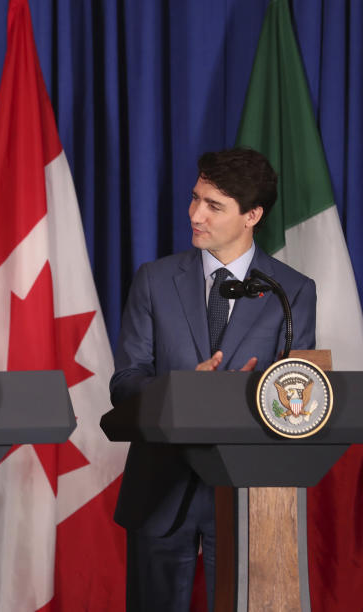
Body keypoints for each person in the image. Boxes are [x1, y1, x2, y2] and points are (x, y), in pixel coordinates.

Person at [110, 148, 316, 610]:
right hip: (161, 489)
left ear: (252, 215)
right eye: (195, 199)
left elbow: (296, 395)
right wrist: (183, 390)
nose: (195, 214)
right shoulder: (154, 280)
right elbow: (125, 383)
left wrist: (254, 393)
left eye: (214, 206)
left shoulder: (292, 291)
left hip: (249, 492)